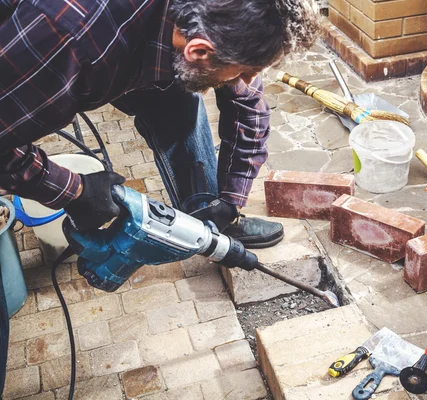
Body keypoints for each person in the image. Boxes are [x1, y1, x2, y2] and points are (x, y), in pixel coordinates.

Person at [0, 0, 319, 390]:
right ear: (198, 50)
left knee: (181, 100)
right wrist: (75, 190)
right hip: (23, 67)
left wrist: (231, 199)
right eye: (247, 71)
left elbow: (248, 105)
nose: (251, 80)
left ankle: (207, 213)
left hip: (129, 52)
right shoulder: (70, 35)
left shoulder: (219, 20)